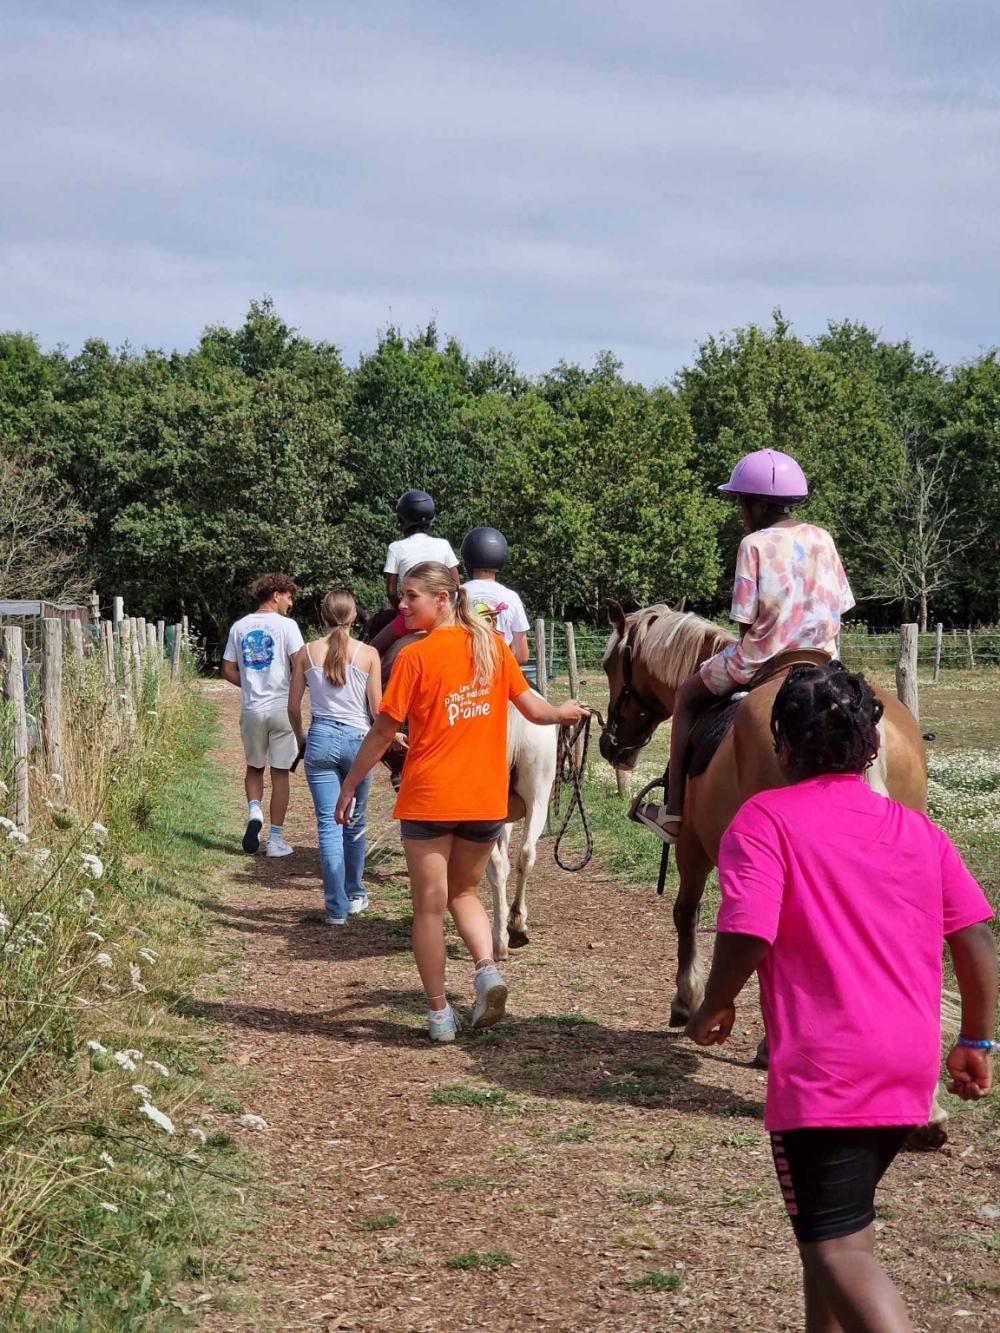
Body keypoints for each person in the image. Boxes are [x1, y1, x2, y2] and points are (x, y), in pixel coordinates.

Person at [686, 664, 996, 1333]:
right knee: (834, 1234)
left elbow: (747, 931)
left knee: (837, 1247)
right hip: (907, 1066)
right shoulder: (918, 830)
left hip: (828, 1074)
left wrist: (715, 1001)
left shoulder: (762, 818)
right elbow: (975, 938)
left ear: (784, 747)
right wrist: (975, 1038)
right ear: (874, 747)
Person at [333, 561, 587, 1041]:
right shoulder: (493, 647)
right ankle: (487, 971)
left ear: (443, 599)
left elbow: (385, 730)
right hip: (485, 801)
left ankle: (438, 1015)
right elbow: (533, 709)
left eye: (411, 597)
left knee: (429, 908)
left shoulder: (414, 657)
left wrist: (350, 785)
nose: (402, 606)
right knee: (463, 894)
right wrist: (565, 712)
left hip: (431, 799)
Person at [633, 448, 855, 843]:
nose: (739, 511)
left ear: (758, 503)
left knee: (685, 696)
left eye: (740, 502)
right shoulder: (822, 537)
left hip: (763, 659)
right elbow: (841, 604)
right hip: (825, 660)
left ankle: (674, 811)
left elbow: (745, 621)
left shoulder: (753, 545)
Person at [287, 590, 383, 925]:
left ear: (322, 615)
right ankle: (356, 893)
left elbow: (292, 707)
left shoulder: (305, 653)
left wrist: (302, 739)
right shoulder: (368, 654)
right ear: (354, 615)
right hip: (358, 740)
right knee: (355, 821)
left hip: (321, 737)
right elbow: (377, 710)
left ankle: (335, 909)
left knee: (328, 824)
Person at [221, 573, 306, 858]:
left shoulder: (240, 626)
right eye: (289, 596)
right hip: (281, 708)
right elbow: (300, 664)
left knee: (254, 768)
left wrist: (251, 684)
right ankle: (275, 840)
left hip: (252, 709)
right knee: (280, 774)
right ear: (276, 595)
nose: (290, 603)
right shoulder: (288, 627)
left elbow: (228, 669)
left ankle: (254, 812)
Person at [371, 490, 460, 656]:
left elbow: (390, 592)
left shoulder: (396, 547)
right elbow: (456, 585)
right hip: (442, 611)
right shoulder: (443, 544)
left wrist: (406, 611)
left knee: (372, 648)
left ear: (402, 519)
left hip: (413, 614)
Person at [460, 526, 531, 665]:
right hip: (499, 672)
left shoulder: (456, 594)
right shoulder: (511, 597)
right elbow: (522, 656)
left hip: (462, 672)